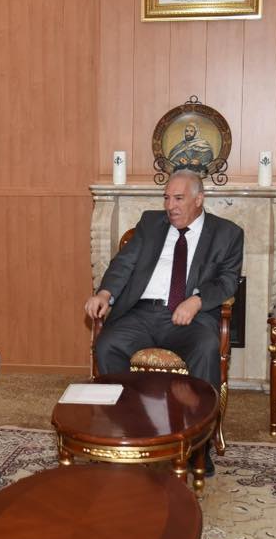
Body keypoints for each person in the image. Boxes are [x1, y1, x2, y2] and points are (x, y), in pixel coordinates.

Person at [84, 169, 243, 471]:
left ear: (199, 199)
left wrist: (196, 301)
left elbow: (227, 281)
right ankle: (130, 429)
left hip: (190, 316)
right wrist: (105, 293)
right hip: (142, 313)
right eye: (167, 198)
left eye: (179, 199)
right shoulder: (151, 223)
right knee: (108, 345)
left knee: (206, 347)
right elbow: (124, 264)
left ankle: (198, 445)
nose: (171, 206)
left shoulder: (227, 233)